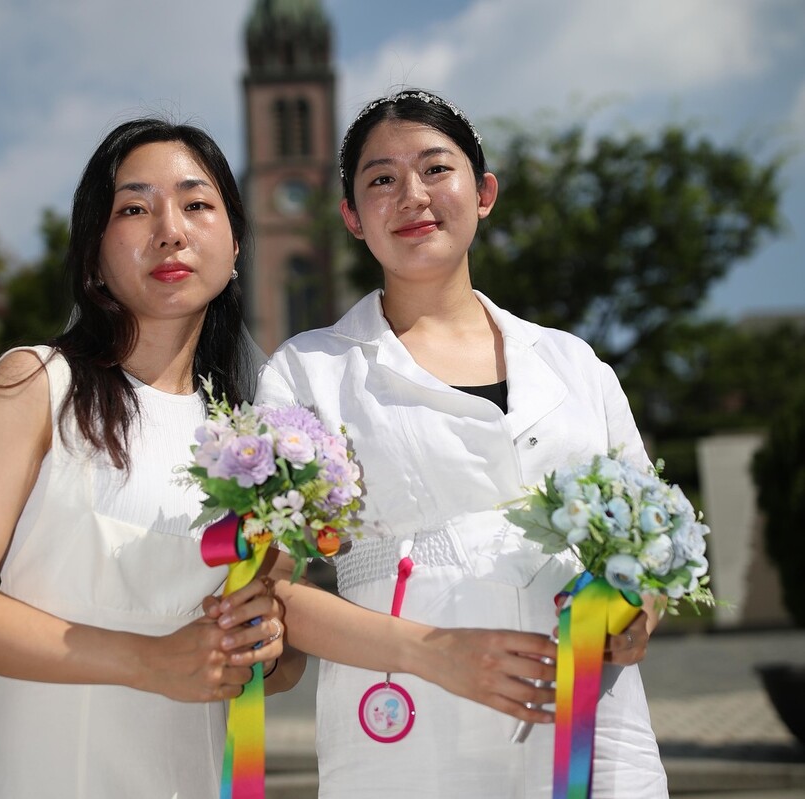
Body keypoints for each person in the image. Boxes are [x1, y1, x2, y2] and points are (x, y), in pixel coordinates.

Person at [246, 89, 668, 797]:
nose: (412, 195)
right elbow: (265, 589)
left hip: (593, 719)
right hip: (408, 726)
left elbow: (653, 541)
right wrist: (433, 652)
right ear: (351, 215)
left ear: (484, 193)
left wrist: (639, 612)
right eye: (381, 179)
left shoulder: (575, 365)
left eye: (436, 168)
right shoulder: (306, 372)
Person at [0, 117, 303, 798]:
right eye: (135, 208)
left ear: (236, 245)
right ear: (93, 255)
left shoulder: (255, 441)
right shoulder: (36, 385)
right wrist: (146, 660)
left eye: (197, 204)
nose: (170, 230)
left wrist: (271, 645)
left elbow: (279, 643)